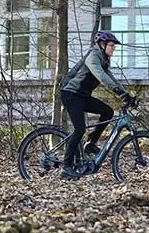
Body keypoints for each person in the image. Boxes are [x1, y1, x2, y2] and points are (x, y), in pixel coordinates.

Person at [59, 30, 137, 180]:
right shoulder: (93, 56)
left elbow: (112, 79)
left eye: (114, 46)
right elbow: (101, 76)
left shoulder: (104, 60)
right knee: (80, 129)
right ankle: (66, 167)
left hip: (82, 96)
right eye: (111, 45)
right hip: (70, 94)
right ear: (102, 44)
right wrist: (118, 92)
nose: (113, 48)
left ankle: (90, 143)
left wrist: (126, 95)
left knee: (107, 112)